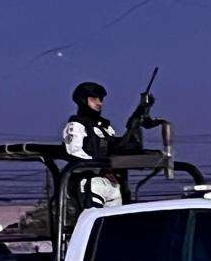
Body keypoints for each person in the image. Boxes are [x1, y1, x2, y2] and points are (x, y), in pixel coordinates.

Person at [63, 81, 160, 210]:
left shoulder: (105, 128)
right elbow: (75, 154)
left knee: (115, 219)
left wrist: (138, 116)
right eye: (93, 99)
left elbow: (120, 148)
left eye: (101, 99)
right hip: (89, 181)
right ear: (83, 100)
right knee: (94, 217)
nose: (99, 103)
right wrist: (101, 167)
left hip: (111, 183)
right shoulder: (76, 125)